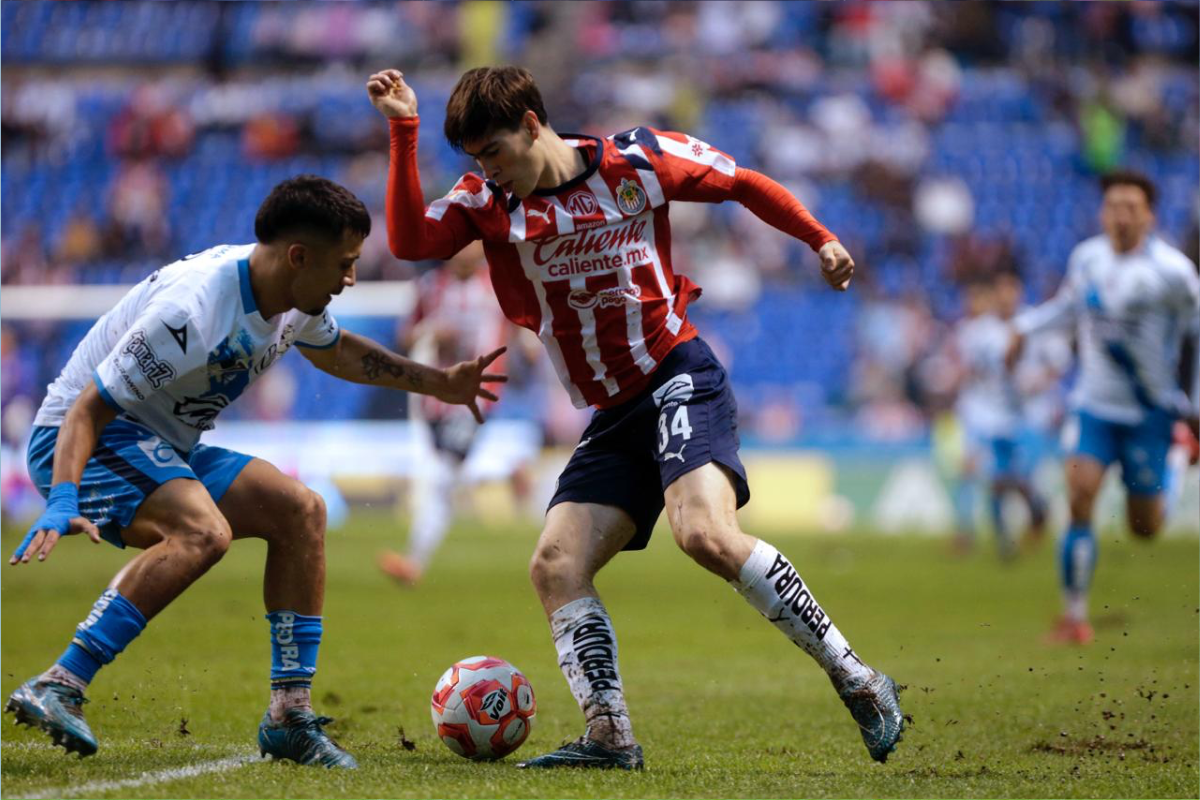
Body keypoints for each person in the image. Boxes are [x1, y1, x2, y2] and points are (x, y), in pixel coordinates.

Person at [367, 65, 904, 769]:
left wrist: (819, 238)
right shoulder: (488, 202)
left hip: (678, 373)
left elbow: (741, 181)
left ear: (533, 124)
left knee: (704, 534)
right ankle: (609, 736)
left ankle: (857, 678)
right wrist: (403, 130)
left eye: (494, 151)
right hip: (615, 412)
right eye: (476, 160)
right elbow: (409, 242)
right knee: (555, 566)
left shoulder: (638, 162)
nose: (488, 170)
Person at [5, 176, 505, 766]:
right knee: (203, 532)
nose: (350, 280)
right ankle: (61, 681)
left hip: (165, 443)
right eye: (343, 265)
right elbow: (86, 409)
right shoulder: (191, 311)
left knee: (301, 510)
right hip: (84, 440)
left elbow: (340, 351)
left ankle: (289, 715)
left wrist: (439, 383)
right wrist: (64, 495)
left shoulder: (292, 300)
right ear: (298, 256)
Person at [1007, 170, 1200, 645]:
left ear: (1150, 214)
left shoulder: (1173, 273)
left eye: (1132, 206)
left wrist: (1192, 405)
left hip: (1150, 413)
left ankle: (1174, 460)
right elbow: (1067, 308)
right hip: (1093, 405)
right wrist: (1023, 327)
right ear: (1103, 212)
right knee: (1080, 496)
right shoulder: (1087, 258)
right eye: (1114, 205)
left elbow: (1195, 333)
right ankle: (1075, 618)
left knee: (1145, 528)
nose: (1122, 214)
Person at [378, 240, 522, 586]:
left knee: (442, 474)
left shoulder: (497, 283)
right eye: (459, 245)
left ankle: (413, 561)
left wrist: (520, 352)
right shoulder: (429, 287)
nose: (464, 252)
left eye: (471, 246)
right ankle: (507, 472)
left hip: (478, 394)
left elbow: (517, 323)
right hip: (436, 394)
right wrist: (431, 332)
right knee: (446, 474)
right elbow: (406, 333)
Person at [951, 271, 1050, 559]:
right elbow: (968, 370)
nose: (1007, 297)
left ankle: (1036, 505)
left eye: (1012, 290)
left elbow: (1055, 361)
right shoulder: (976, 331)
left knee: (1015, 477)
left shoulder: (1033, 324)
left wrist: (1038, 381)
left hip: (1022, 414)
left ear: (1019, 293)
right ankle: (992, 537)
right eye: (1002, 291)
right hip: (984, 411)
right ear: (995, 295)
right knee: (981, 472)